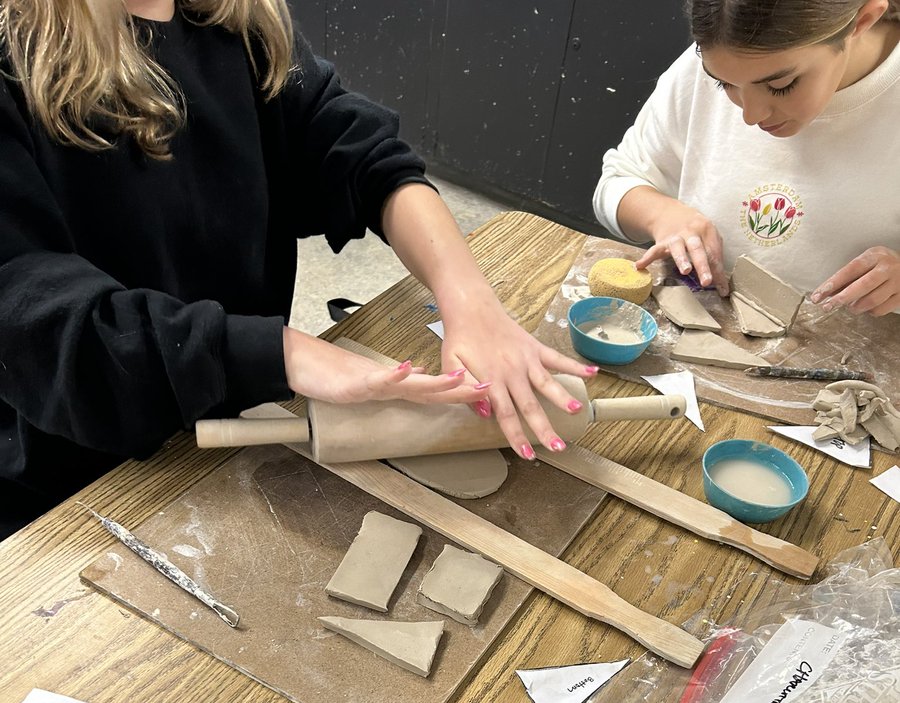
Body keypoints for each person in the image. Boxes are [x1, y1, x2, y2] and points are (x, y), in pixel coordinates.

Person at [0, 0, 598, 538]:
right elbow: (42, 326)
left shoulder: (233, 19)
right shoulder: (15, 58)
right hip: (81, 482)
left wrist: (468, 299)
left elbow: (360, 154)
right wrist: (283, 354)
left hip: (239, 419)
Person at [593, 0, 900, 315]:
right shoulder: (719, 61)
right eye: (724, 84)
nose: (751, 116)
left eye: (780, 85)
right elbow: (618, 180)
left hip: (852, 352)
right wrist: (662, 216)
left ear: (861, 22)